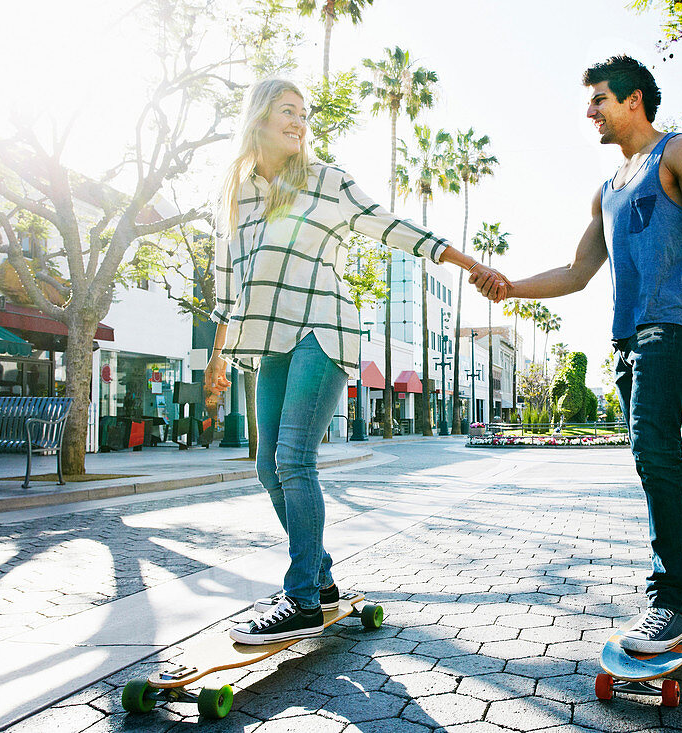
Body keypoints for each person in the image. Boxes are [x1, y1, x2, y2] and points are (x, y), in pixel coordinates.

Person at [472, 56, 682, 653]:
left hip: (672, 323)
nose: (590, 112)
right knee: (666, 459)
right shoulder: (606, 190)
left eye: (600, 99)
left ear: (634, 101)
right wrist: (510, 285)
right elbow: (579, 273)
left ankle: (669, 602)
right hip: (628, 335)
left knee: (652, 450)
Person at [205, 78, 507, 645]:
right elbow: (227, 283)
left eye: (304, 113)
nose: (298, 121)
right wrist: (217, 357)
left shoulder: (326, 182)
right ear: (259, 118)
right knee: (266, 465)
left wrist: (472, 266)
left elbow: (397, 229)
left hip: (323, 332)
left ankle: (299, 599)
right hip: (266, 340)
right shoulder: (235, 197)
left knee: (293, 458)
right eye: (287, 111)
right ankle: (318, 579)